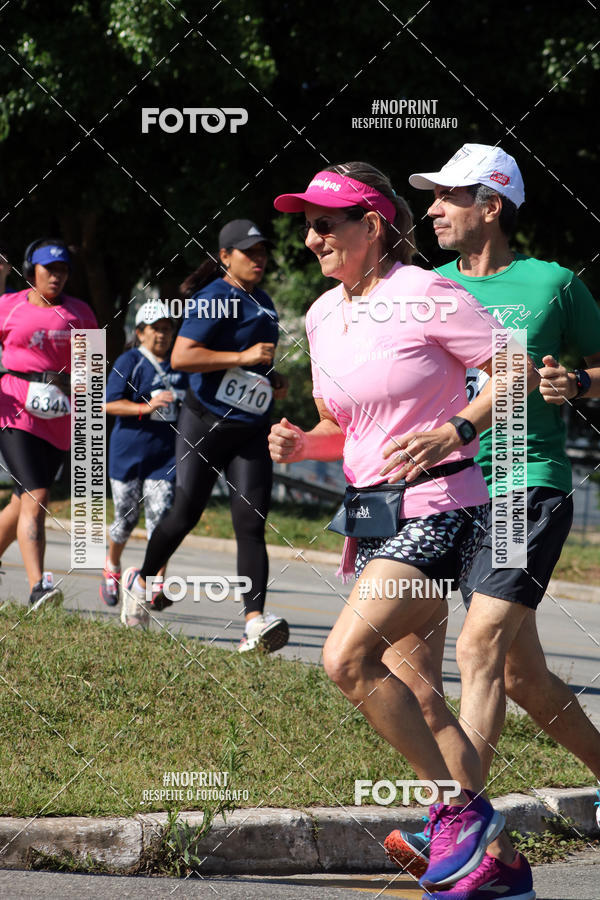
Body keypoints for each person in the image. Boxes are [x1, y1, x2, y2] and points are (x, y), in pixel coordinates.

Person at [269, 162, 536, 899]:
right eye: (307, 225)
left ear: (373, 225)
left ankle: (462, 817)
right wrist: (303, 443)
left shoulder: (423, 292)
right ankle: (501, 867)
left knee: (345, 659)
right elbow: (345, 430)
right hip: (372, 515)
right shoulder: (321, 316)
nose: (312, 237)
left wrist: (458, 427)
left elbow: (514, 369)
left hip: (442, 506)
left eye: (327, 223)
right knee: (417, 693)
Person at [385, 143, 600, 893]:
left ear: (492, 205)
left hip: (521, 486)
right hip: (452, 494)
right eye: (432, 197)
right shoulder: (426, 287)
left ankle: (460, 821)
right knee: (521, 674)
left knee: (477, 648)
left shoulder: (552, 285)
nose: (433, 210)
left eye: (448, 196)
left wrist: (579, 383)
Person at [120, 219, 290, 652]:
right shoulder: (214, 298)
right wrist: (244, 357)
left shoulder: (265, 302)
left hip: (251, 428)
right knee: (185, 513)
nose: (258, 259)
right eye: (249, 252)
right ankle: (141, 579)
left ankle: (254, 623)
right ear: (226, 256)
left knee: (251, 523)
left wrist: (271, 376)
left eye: (262, 251)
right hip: (206, 424)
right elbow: (183, 356)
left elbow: (255, 362)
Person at [0, 238, 97, 608]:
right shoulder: (8, 307)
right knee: (37, 496)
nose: (56, 276)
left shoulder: (80, 313)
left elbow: (91, 370)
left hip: (59, 416)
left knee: (20, 500)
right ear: (31, 271)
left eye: (62, 270)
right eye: (49, 269)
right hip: (15, 409)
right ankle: (38, 587)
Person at [100, 300, 188, 623]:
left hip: (165, 456)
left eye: (167, 329)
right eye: (155, 329)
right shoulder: (131, 361)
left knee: (161, 519)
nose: (162, 335)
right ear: (140, 333)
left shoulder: (180, 364)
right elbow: (108, 404)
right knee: (126, 519)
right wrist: (145, 407)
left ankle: (155, 582)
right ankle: (112, 565)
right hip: (128, 453)